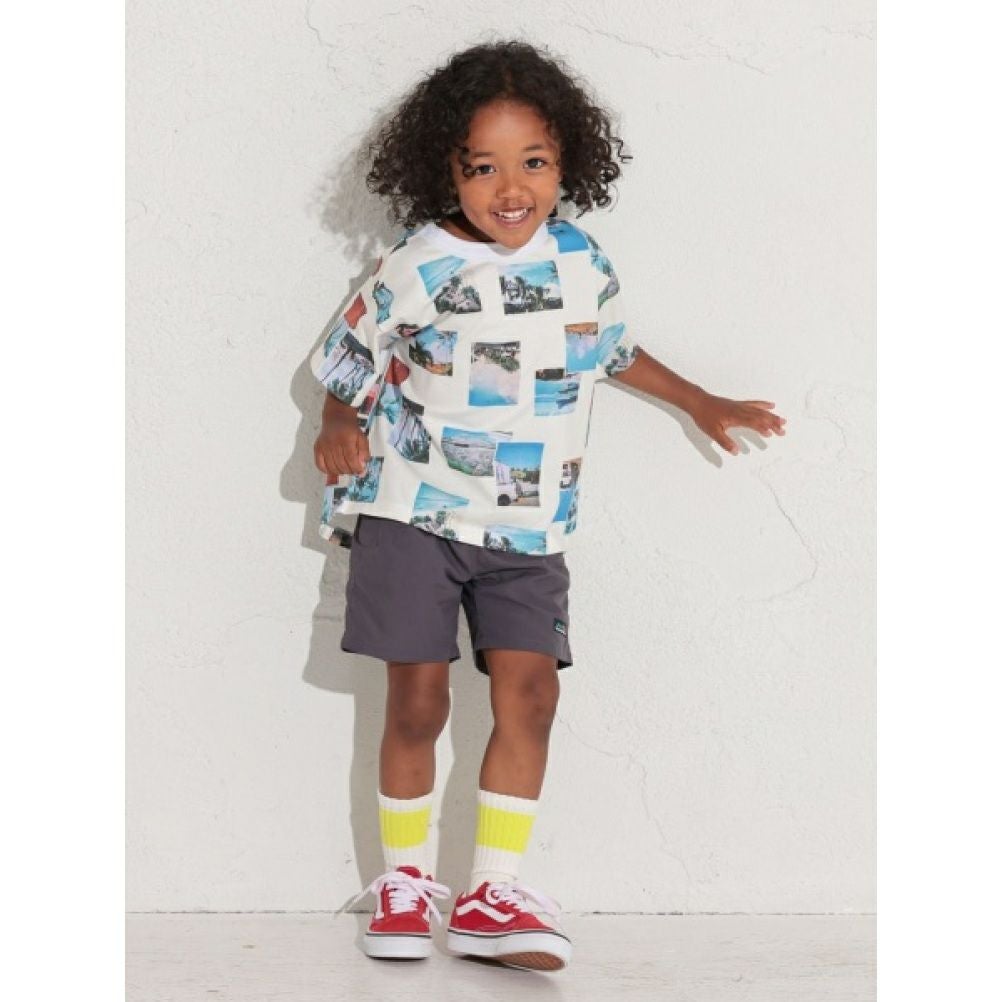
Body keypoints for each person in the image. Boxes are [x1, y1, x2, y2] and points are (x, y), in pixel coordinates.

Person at [312, 40, 787, 973]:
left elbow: (610, 350)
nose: (511, 188)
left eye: (532, 162)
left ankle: (491, 894)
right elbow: (349, 358)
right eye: (482, 167)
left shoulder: (578, 259)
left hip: (529, 528)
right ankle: (404, 886)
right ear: (446, 168)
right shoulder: (420, 262)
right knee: (418, 700)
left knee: (532, 695)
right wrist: (338, 423)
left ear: (567, 159)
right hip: (413, 514)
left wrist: (700, 400)